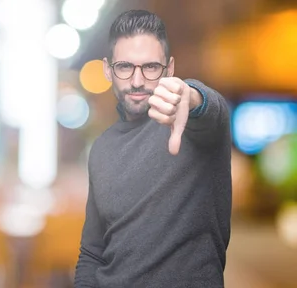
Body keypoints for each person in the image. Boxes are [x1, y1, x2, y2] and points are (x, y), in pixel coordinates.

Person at [74, 10, 232, 288]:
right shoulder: (101, 149)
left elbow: (210, 109)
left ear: (169, 69)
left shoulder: (194, 128)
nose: (137, 81)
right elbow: (92, 252)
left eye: (150, 67)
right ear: (108, 69)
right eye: (125, 66)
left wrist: (191, 94)